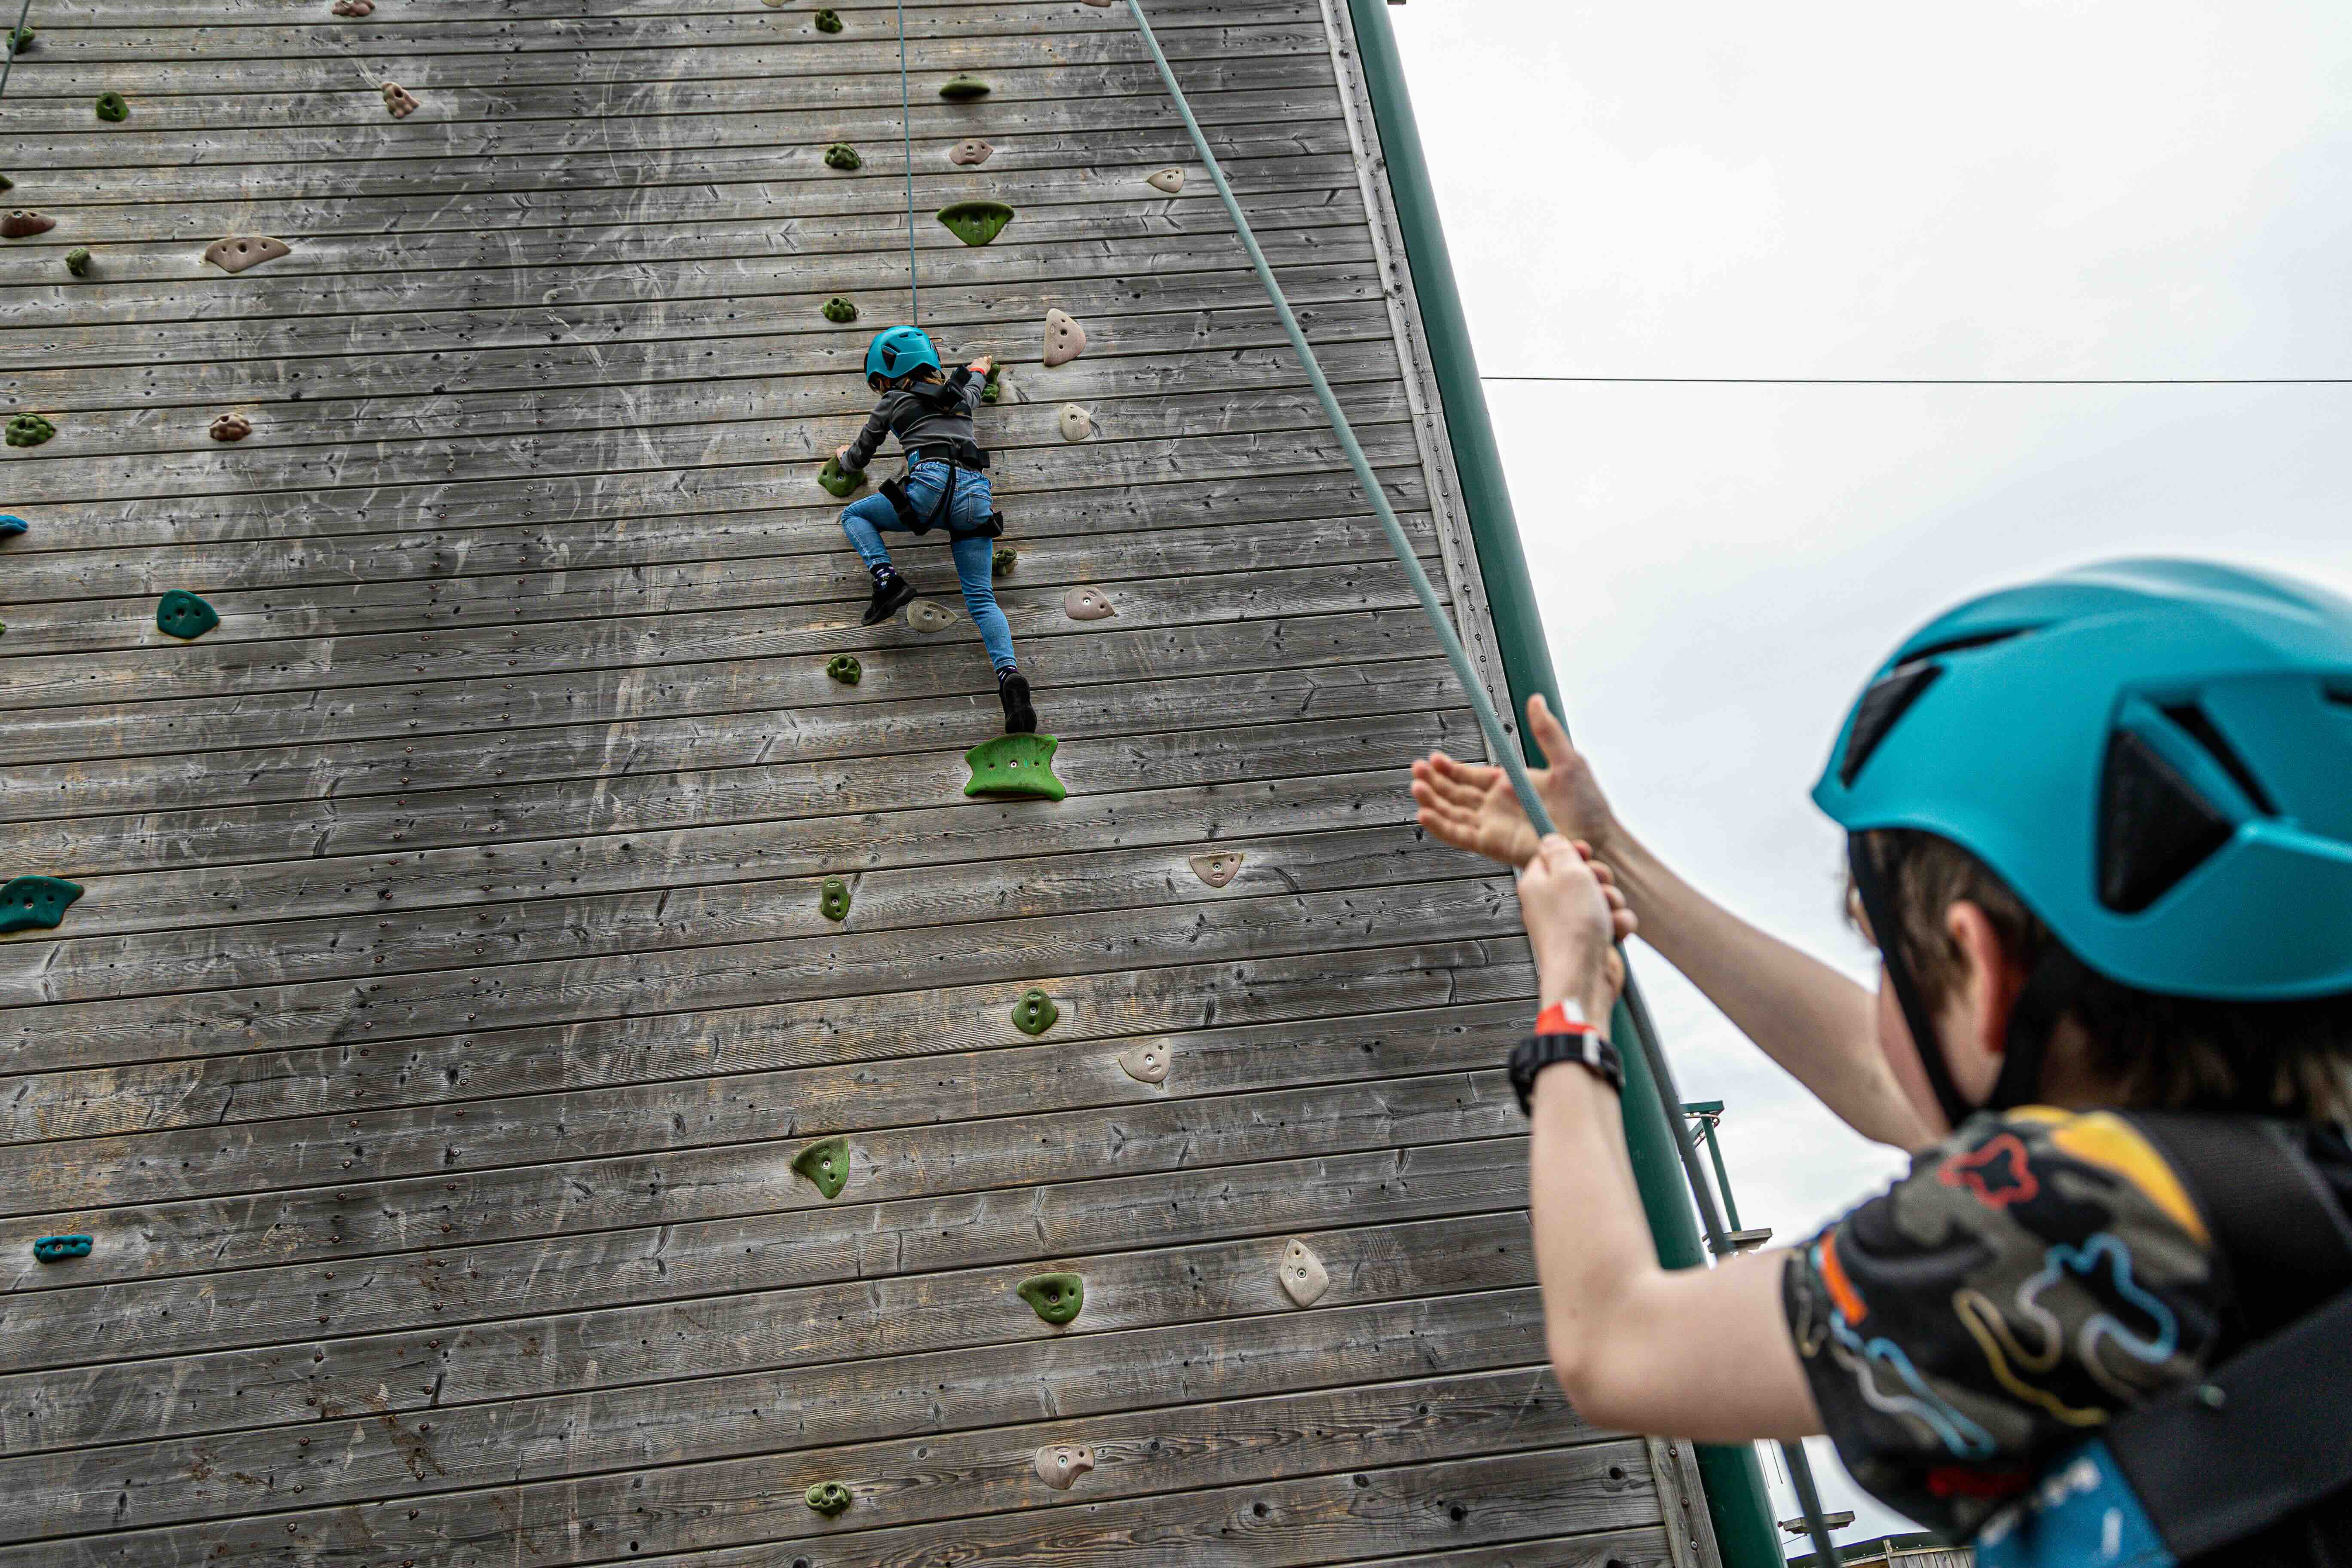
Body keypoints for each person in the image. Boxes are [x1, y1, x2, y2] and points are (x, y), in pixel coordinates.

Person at [1412, 558, 2352, 1567]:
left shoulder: (2058, 1219)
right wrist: (1613, 854)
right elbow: (1875, 1069)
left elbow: (1614, 1342)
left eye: (1885, 956)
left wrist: (1569, 1000)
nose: (1876, 1000)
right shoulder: (2281, 1187)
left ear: (1985, 972)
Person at [837, 325, 1035, 735]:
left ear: (888, 373)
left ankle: (887, 581)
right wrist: (980, 368)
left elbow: (861, 456)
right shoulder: (961, 396)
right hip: (975, 500)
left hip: (927, 492)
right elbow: (977, 384)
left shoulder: (893, 401)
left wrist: (843, 459)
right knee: (982, 601)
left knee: (854, 516)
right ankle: (1010, 679)